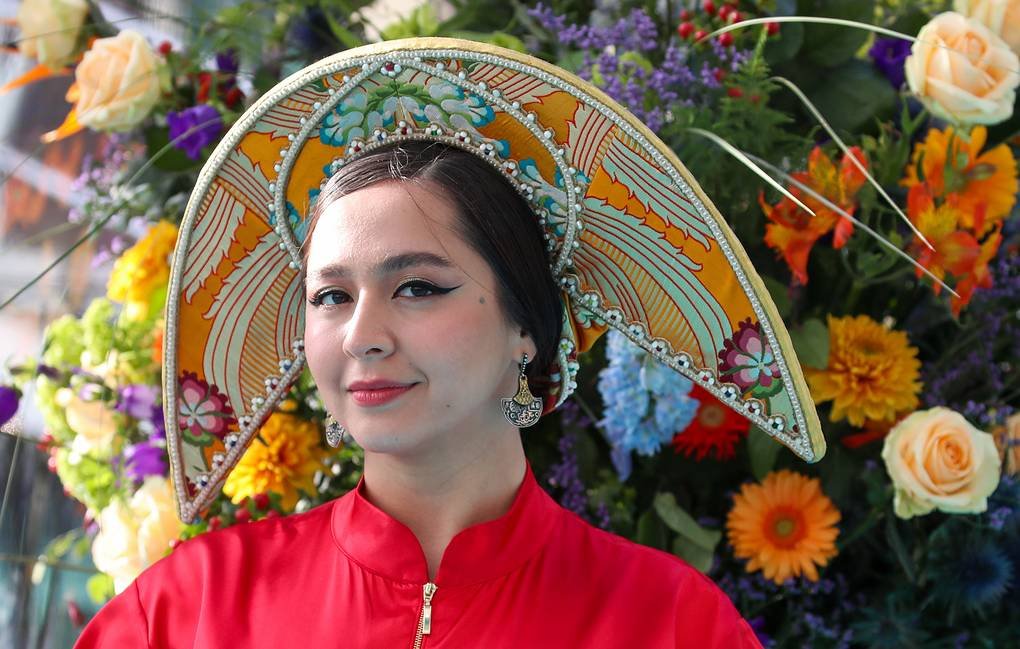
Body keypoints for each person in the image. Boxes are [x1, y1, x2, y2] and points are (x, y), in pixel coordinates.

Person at [76, 37, 825, 647]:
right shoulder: (190, 609)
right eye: (331, 296)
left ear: (524, 325)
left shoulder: (668, 622)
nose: (362, 336)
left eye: (417, 287)